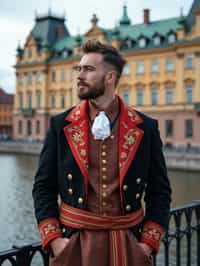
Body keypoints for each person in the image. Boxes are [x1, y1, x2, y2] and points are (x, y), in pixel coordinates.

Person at [32, 39, 171, 266]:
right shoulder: (60, 125)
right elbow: (43, 187)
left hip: (128, 245)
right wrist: (55, 240)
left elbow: (160, 191)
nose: (79, 75)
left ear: (110, 78)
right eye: (79, 68)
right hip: (74, 245)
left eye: (88, 69)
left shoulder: (145, 128)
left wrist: (147, 244)